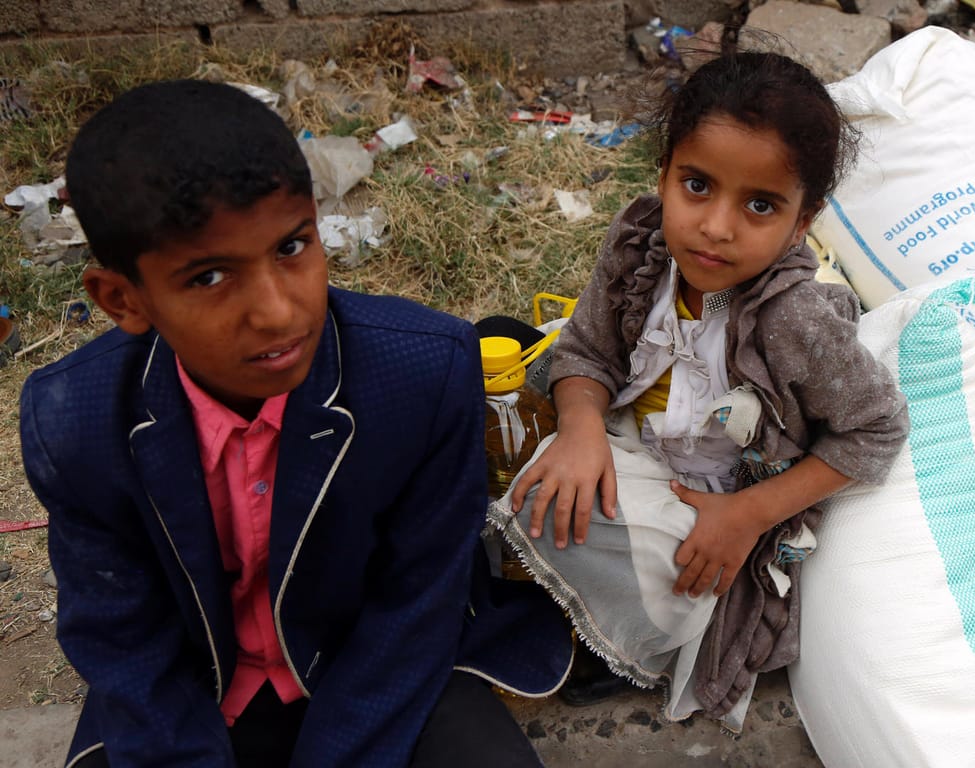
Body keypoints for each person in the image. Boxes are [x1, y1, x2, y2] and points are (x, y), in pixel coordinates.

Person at [19, 80, 572, 768]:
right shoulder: (74, 419)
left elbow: (416, 606)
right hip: (199, 690)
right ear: (122, 299)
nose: (278, 312)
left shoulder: (422, 374)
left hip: (377, 675)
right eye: (210, 278)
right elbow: (122, 640)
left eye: (291, 247)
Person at [489, 50, 910, 731]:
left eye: (761, 205)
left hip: (718, 502)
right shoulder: (641, 249)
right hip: (631, 440)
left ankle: (608, 635)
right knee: (499, 414)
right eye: (697, 186)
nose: (717, 226)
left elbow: (877, 429)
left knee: (580, 522)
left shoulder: (794, 321)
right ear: (663, 174)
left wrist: (747, 517)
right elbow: (587, 352)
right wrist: (582, 430)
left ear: (803, 222)